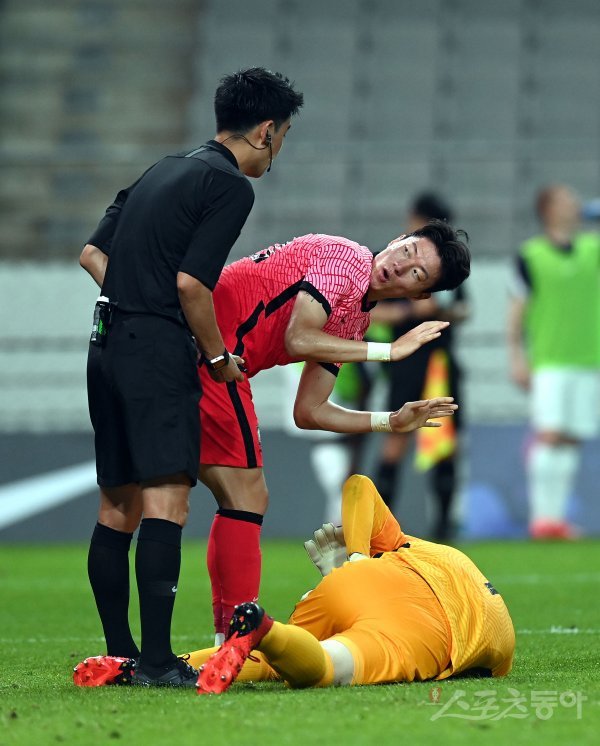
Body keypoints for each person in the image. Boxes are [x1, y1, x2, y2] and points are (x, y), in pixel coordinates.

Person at [77, 67, 304, 687]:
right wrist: (216, 357)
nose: (277, 150)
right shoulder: (229, 186)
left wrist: (134, 298)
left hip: (105, 344)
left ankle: (122, 655)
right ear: (265, 131)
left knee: (116, 503)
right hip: (155, 353)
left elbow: (93, 253)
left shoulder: (163, 170)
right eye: (282, 137)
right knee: (167, 499)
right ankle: (156, 662)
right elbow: (191, 285)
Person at [198, 220, 470, 644]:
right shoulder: (347, 259)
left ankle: (217, 642)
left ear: (420, 295)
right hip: (211, 349)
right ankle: (234, 641)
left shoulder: (355, 318)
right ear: (397, 239)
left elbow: (309, 411)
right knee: (241, 496)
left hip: (210, 353)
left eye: (417, 273)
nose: (400, 266)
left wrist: (390, 420)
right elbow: (299, 337)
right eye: (407, 251)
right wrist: (390, 351)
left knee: (174, 496)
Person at [192, 473, 515, 692]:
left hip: (378, 579)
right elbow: (494, 654)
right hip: (427, 629)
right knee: (327, 665)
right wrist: (356, 561)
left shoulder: (408, 546)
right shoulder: (498, 645)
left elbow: (359, 484)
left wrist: (356, 560)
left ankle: (174, 664)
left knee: (270, 663)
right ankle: (264, 628)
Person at [371, 192, 470, 540]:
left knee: (444, 441)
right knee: (396, 439)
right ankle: (381, 527)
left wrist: (442, 311)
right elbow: (370, 311)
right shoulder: (387, 264)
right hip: (407, 360)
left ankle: (443, 527)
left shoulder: (442, 268)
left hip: (437, 362)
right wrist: (408, 312)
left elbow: (462, 308)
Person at [507, 184, 600, 539]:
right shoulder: (530, 256)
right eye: (566, 200)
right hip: (549, 361)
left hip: (588, 358)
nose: (574, 204)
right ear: (547, 209)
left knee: (573, 437)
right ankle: (541, 518)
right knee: (550, 434)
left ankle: (555, 520)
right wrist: (517, 357)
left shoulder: (592, 249)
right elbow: (516, 311)